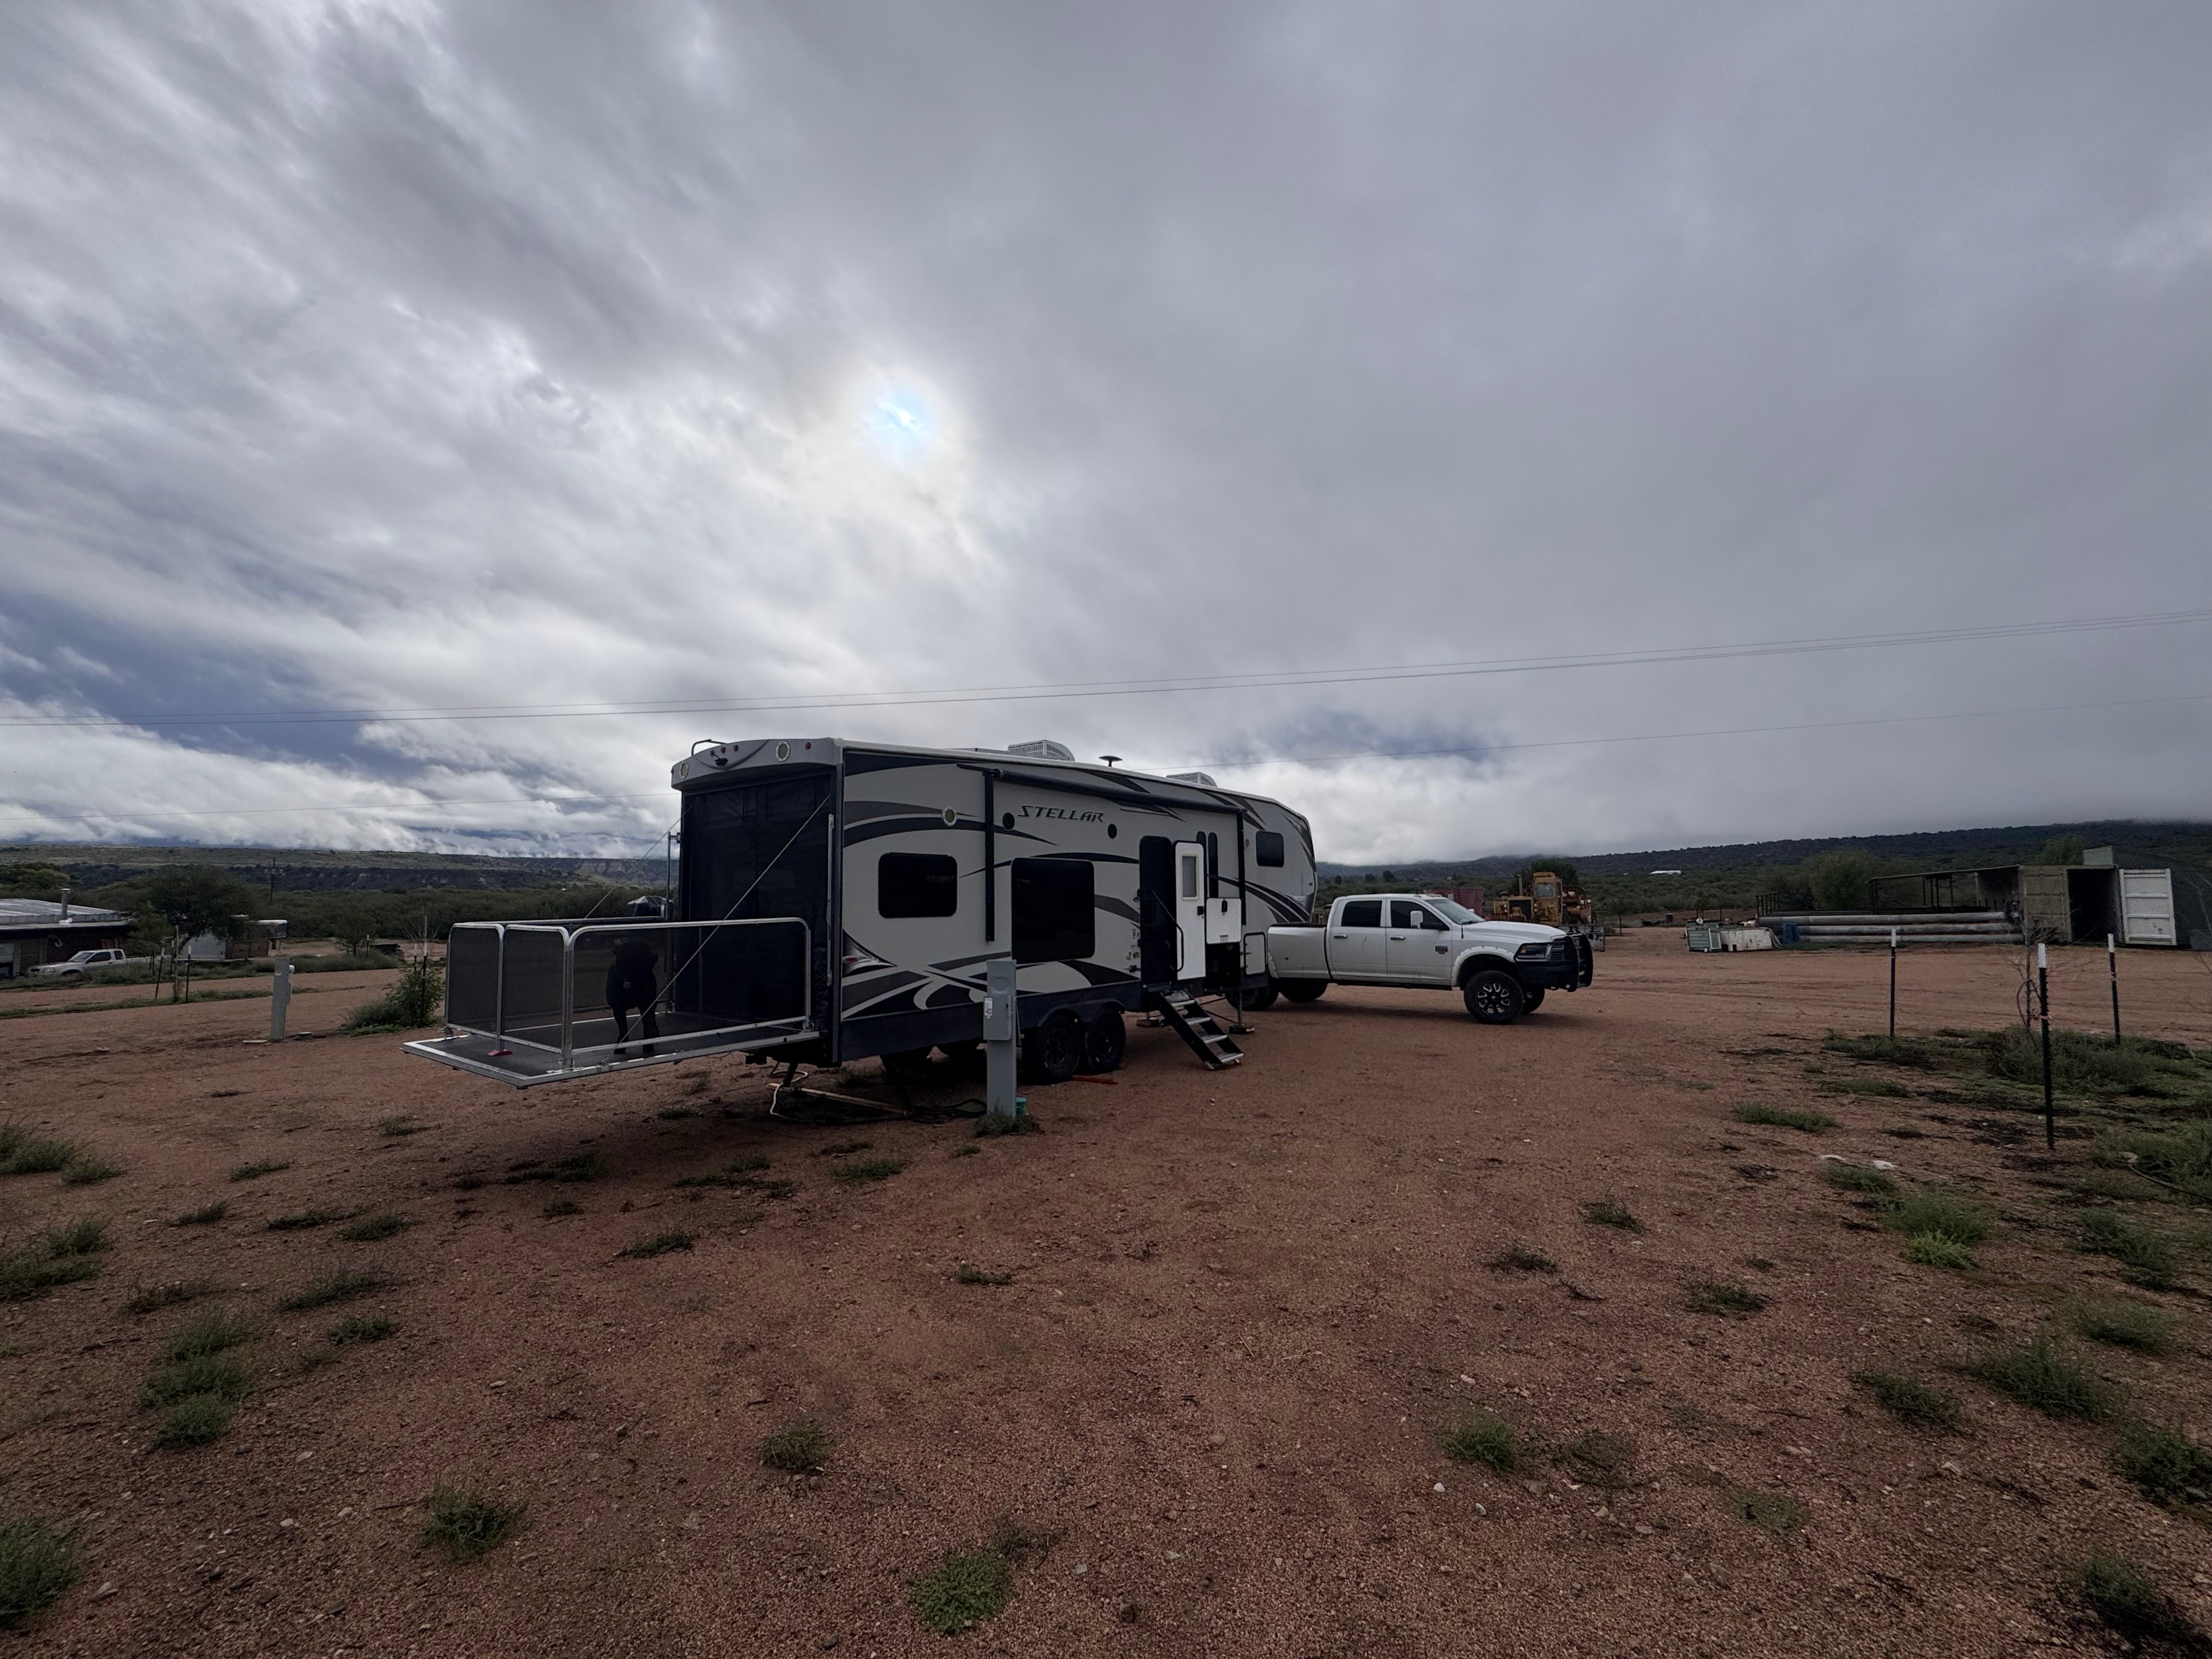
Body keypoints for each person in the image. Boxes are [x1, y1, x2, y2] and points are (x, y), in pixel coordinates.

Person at [606, 934, 661, 1052]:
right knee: (619, 1007)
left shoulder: (646, 973)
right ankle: (623, 1037)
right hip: (624, 981)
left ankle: (648, 1039)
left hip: (644, 981)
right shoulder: (616, 974)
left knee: (648, 1010)